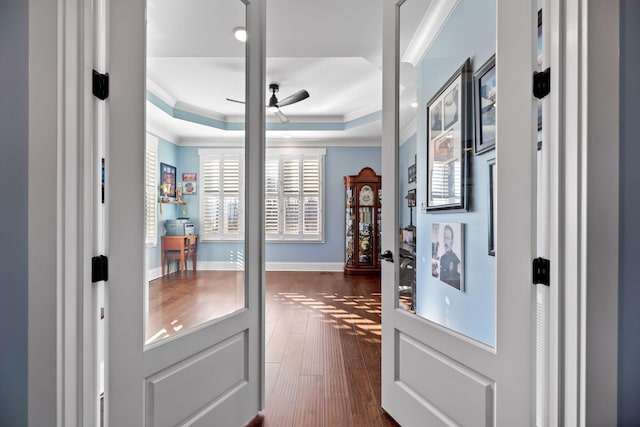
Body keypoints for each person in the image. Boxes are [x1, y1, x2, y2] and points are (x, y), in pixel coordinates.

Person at [439, 224, 461, 289]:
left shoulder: (455, 260)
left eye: (448, 238)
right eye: (445, 238)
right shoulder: (442, 258)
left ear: (452, 241)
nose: (445, 242)